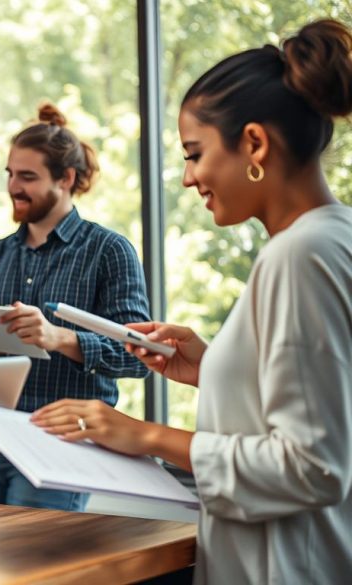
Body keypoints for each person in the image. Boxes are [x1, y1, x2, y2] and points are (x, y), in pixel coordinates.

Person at [32, 20, 352, 583]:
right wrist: (210, 368)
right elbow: (325, 400)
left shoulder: (298, 257)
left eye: (194, 153)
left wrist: (142, 433)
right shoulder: (334, 236)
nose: (186, 178)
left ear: (254, 143)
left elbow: (313, 468)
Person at [0, 104, 150, 512]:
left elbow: (138, 358)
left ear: (66, 178)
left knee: (34, 569)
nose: (13, 186)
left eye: (27, 177)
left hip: (61, 444)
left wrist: (58, 337)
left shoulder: (108, 251)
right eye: (9, 174)